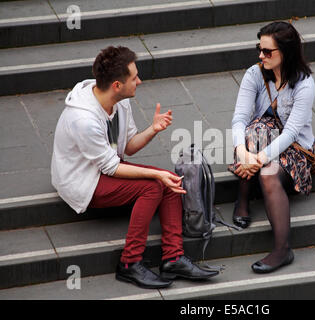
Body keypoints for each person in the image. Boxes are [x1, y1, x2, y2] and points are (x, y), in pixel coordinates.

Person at [51, 46, 218, 289]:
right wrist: (155, 174)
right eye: (134, 78)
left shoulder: (119, 102)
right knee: (153, 187)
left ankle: (173, 258)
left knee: (169, 180)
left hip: (106, 167)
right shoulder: (83, 120)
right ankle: (129, 263)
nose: (139, 81)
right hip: (83, 181)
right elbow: (110, 168)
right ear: (117, 85)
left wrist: (153, 129)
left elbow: (128, 147)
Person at [229, 22, 315, 274]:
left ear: (286, 52)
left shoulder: (304, 84)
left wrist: (257, 159)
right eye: (259, 48)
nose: (260, 56)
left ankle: (282, 249)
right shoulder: (254, 74)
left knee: (267, 174)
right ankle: (243, 199)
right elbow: (239, 119)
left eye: (268, 51)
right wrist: (242, 152)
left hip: (295, 150)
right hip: (257, 146)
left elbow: (290, 133)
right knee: (256, 128)